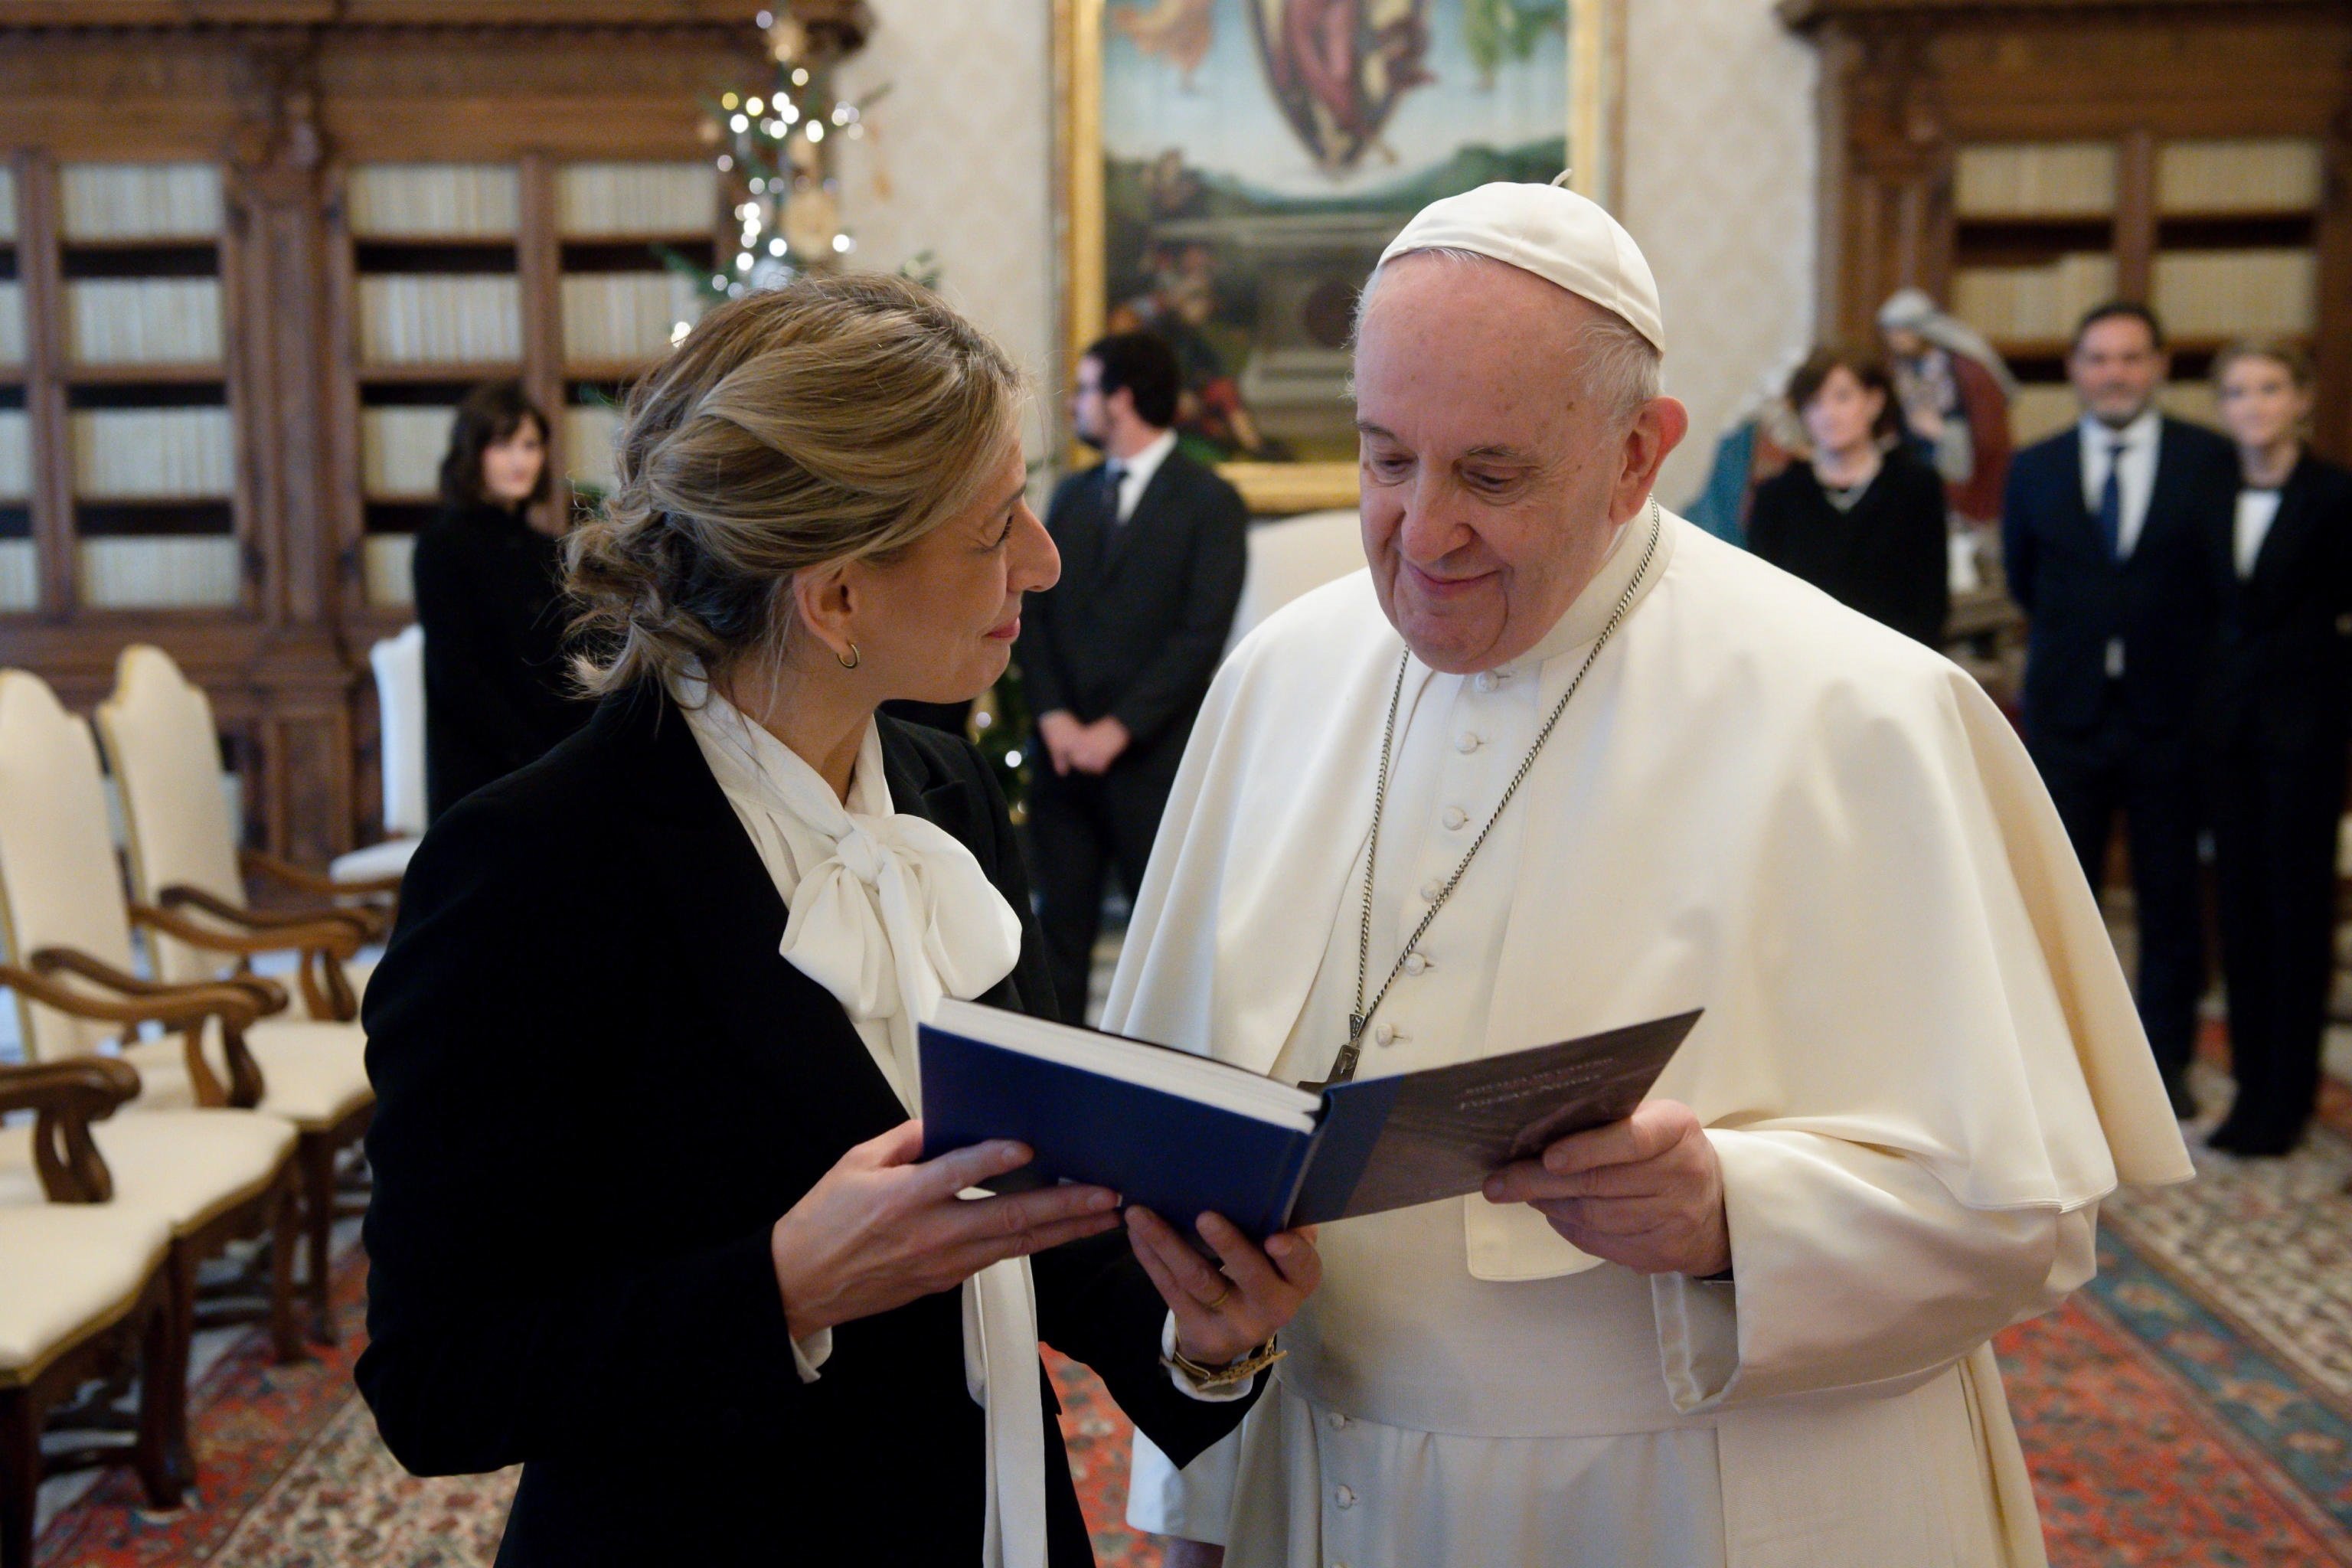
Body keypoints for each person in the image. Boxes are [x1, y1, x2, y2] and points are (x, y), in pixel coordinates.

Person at [1119, 181, 2191, 1567]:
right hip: (1328, 1488)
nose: (1420, 533)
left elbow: (2024, 1211)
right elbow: (1172, 1133)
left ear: (1638, 453)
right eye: (1386, 460)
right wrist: (1194, 1463)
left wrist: (1731, 1217)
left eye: (1490, 475)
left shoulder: (1856, 709)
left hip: (1705, 1502)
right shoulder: (1282, 676)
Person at [357, 276, 1320, 1567]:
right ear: (838, 597)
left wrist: (1202, 1337)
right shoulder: (532, 865)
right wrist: (782, 1282)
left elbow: (1025, 1200)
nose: (1041, 559)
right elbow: (436, 1380)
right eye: (994, 528)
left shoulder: (945, 787)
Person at [2002, 302, 2238, 1116]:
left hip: (2171, 717)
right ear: (2075, 369)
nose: (2115, 373)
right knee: (2065, 906)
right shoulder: (2036, 466)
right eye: (2099, 358)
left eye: (2131, 358)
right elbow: (2025, 578)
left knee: (2173, 902)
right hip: (2067, 717)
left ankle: (2162, 1068)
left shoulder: (2210, 461)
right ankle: (2066, 1073)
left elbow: (2219, 584)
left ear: (2161, 367)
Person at [1017, 332, 1248, 1023]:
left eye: (1086, 389)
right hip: (1062, 766)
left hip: (1153, 765)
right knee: (1054, 946)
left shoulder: (1209, 501)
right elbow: (1036, 615)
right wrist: (1055, 718)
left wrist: (1116, 731)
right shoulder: (1072, 496)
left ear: (1120, 399)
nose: (1077, 404)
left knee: (1164, 952)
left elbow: (1200, 637)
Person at [2199, 341, 2352, 1156]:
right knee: (2244, 912)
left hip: (2305, 732)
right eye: (2236, 392)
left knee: (2298, 913)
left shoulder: (2335, 494)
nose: (2252, 405)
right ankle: (2252, 1090)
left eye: (2268, 389)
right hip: (2226, 732)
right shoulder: (2210, 489)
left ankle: (2289, 1097)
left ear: (2301, 398)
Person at [411, 382, 590, 823]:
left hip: (554, 763)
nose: (520, 460)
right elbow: (457, 674)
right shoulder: (441, 545)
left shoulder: (551, 550)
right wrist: (534, 758)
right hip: (482, 773)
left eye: (530, 445)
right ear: (473, 453)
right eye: (503, 445)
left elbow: (564, 660)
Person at [1747, 345, 1950, 646]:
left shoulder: (1915, 487)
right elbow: (1763, 604)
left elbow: (1931, 601)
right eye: (1814, 403)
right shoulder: (1777, 496)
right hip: (1802, 664)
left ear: (1874, 402)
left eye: (1842, 398)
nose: (1828, 414)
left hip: (1895, 666)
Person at [1878, 287, 2017, 526]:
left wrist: (1943, 433)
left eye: (1900, 330)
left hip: (1958, 472)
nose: (1894, 339)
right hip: (1914, 467)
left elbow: (1988, 435)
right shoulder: (1902, 368)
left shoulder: (1966, 369)